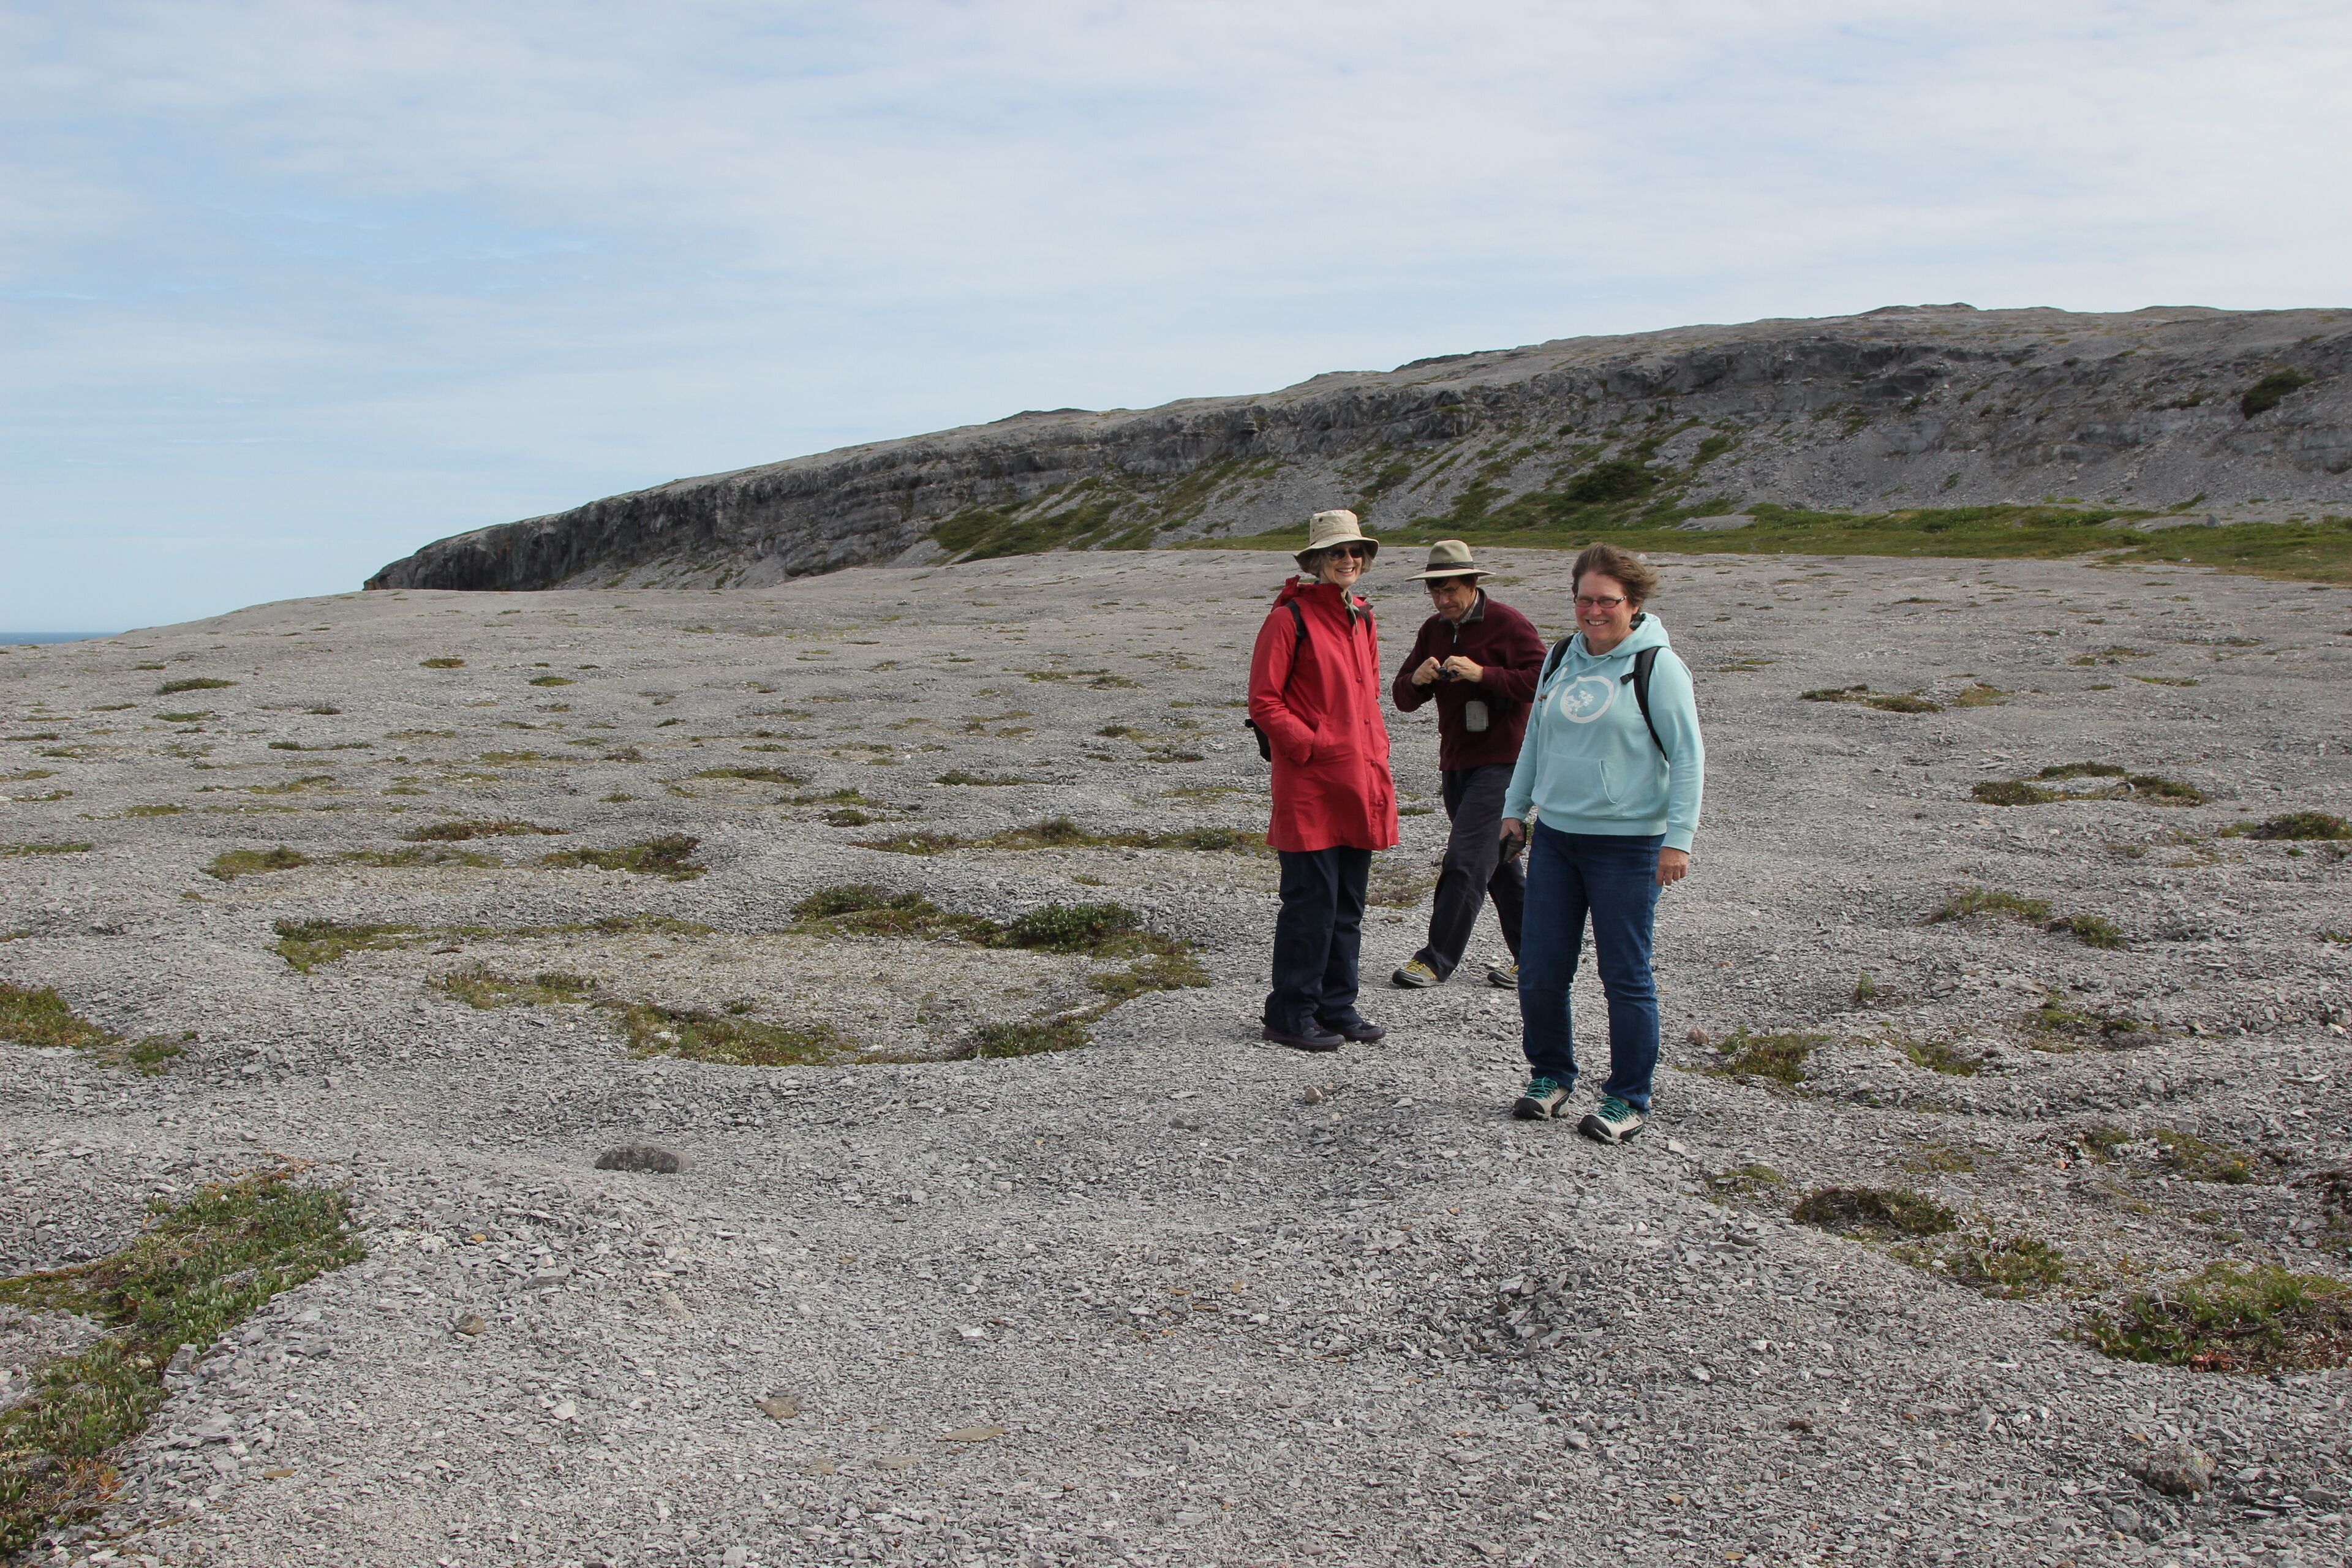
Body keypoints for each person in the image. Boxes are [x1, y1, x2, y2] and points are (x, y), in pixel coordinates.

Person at [1499, 542, 1704, 1143]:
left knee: (1625, 974)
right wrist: (1517, 809)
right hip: (1559, 838)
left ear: (1633, 604)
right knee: (1540, 967)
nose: (1593, 610)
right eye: (1584, 599)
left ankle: (1628, 1096)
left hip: (1631, 845)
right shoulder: (1561, 655)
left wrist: (1679, 840)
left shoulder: (1658, 666)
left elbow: (1688, 758)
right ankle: (1551, 1075)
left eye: (1607, 601)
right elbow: (1536, 736)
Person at [1247, 510, 1400, 1052]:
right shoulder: (1290, 617)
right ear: (1316, 560)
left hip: (1359, 780)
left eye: (1355, 552)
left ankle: (1337, 1005)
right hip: (1312, 784)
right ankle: (1290, 1012)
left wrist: (1370, 750)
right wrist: (1312, 744)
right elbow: (1264, 700)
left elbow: (1370, 693)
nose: (1348, 560)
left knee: (1348, 904)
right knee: (1311, 902)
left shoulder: (1363, 615)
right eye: (1336, 552)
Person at [1388, 540, 1547, 990]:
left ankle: (1436, 959)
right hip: (1456, 765)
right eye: (1435, 591)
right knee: (1497, 866)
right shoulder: (1433, 630)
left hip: (1505, 764)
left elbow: (1543, 679)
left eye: (1451, 590)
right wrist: (1415, 681)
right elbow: (1401, 698)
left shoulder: (1508, 624)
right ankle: (1537, 958)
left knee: (1465, 860)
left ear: (1474, 585)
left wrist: (1484, 675)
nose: (1443, 600)